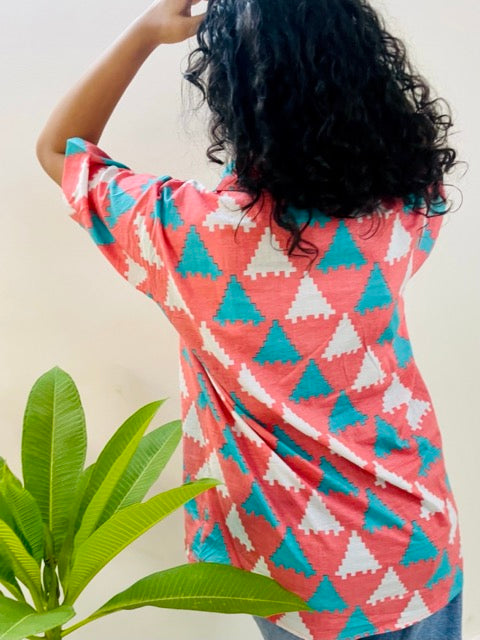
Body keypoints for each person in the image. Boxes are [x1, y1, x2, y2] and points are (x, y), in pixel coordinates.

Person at [36, 1, 465, 639]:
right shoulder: (407, 206)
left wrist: (146, 31)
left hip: (298, 578)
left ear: (230, 90)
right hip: (420, 548)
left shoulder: (187, 235)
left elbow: (58, 149)